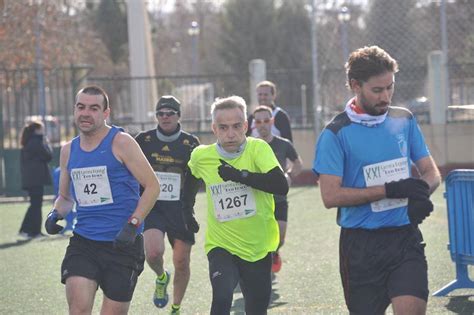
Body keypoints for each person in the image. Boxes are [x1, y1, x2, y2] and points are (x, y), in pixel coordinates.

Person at [312, 46, 441, 315]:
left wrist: (420, 192)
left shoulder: (403, 119)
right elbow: (330, 196)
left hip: (404, 238)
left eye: (390, 88)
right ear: (355, 86)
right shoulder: (335, 133)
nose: (386, 96)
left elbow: (431, 172)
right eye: (377, 90)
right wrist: (388, 190)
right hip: (360, 247)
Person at [44, 85, 160, 314]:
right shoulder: (68, 150)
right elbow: (66, 197)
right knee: (78, 310)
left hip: (122, 244)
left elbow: (152, 186)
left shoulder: (121, 142)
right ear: (74, 110)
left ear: (106, 113)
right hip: (84, 242)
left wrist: (133, 223)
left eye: (94, 108)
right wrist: (55, 213)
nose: (86, 113)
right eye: (81, 107)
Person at [183, 95, 289, 315]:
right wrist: (187, 210)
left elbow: (280, 185)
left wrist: (240, 175)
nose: (230, 134)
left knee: (257, 310)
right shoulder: (202, 156)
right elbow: (191, 176)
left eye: (236, 126)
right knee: (221, 299)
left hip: (258, 246)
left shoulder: (258, 149)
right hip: (221, 245)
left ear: (246, 126)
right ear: (214, 128)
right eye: (223, 127)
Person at [135, 95, 200, 314]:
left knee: (181, 261)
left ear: (178, 116)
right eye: (160, 113)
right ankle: (162, 277)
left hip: (180, 209)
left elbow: (196, 176)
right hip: (152, 206)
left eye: (170, 113)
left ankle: (176, 307)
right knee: (153, 253)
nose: (165, 117)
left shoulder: (191, 143)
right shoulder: (143, 140)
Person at [253, 105, 303, 273]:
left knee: (280, 238)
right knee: (260, 239)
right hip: (257, 200)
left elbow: (298, 163)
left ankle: (275, 252)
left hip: (279, 199)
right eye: (258, 121)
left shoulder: (283, 144)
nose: (262, 124)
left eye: (266, 120)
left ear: (272, 121)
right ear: (254, 124)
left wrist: (289, 176)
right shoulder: (249, 146)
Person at [19, 120, 52, 239]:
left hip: (31, 179)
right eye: (41, 128)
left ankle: (25, 230)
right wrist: (47, 143)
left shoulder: (28, 141)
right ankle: (34, 232)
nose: (43, 131)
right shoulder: (37, 141)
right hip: (35, 179)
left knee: (34, 205)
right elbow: (48, 156)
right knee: (36, 205)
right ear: (36, 130)